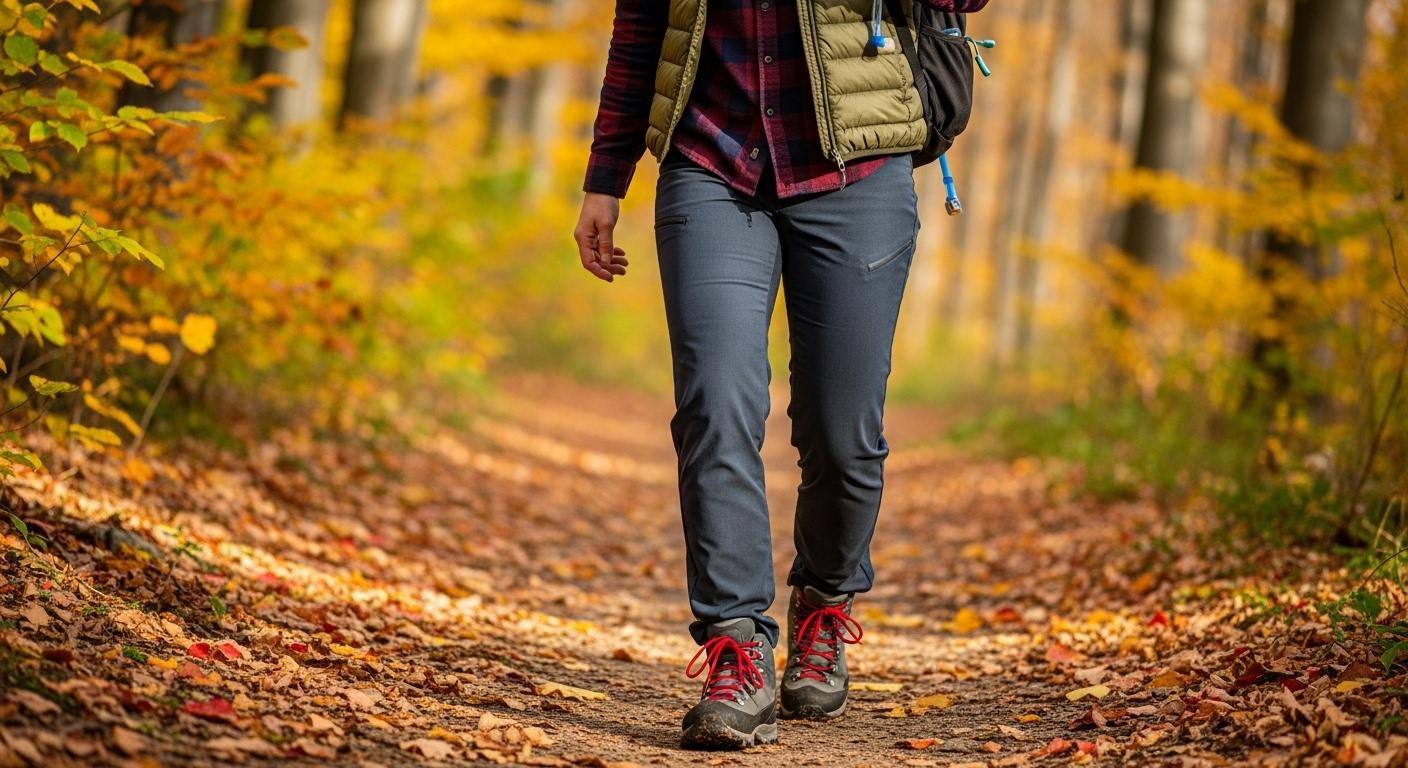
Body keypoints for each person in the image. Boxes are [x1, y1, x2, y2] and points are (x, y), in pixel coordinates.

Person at [573, 0, 989, 750]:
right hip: (710, 164)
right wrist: (606, 176)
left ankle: (825, 600)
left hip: (857, 168)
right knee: (715, 404)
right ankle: (737, 647)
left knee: (842, 431)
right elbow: (642, 29)